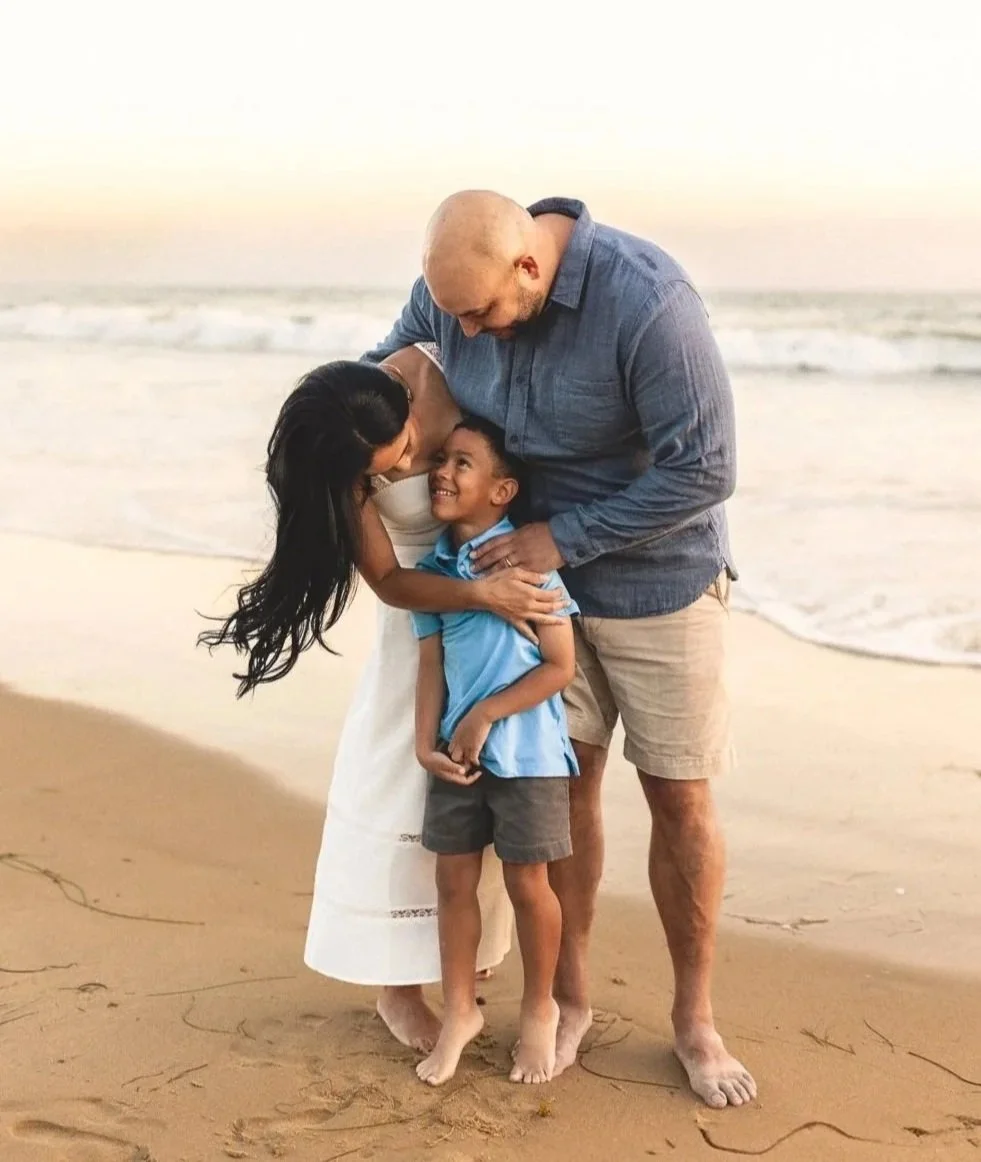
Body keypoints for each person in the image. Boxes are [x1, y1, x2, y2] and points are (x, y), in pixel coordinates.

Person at [361, 191, 757, 1108]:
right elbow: (380, 373)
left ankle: (693, 1020)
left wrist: (561, 537)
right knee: (559, 795)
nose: (462, 331)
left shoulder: (649, 301)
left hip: (660, 585)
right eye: (450, 313)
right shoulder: (453, 293)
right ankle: (565, 994)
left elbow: (704, 467)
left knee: (678, 798)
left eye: (479, 314)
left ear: (528, 269)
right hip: (531, 599)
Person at [200, 345, 568, 1054]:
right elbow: (392, 583)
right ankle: (394, 986)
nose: (402, 472)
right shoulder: (344, 450)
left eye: (399, 454)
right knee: (400, 788)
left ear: (405, 410)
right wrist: (475, 593)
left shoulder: (444, 370)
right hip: (420, 625)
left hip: (496, 634)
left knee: (486, 795)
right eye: (383, 474)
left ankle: (465, 968)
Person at [410, 416, 578, 1087]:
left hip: (529, 755)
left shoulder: (527, 564)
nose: (442, 473)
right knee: (451, 881)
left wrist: (486, 713)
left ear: (502, 489)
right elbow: (430, 663)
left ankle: (539, 1011)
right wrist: (426, 741)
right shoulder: (433, 571)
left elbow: (559, 666)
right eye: (440, 460)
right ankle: (459, 1013)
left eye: (463, 463)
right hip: (456, 754)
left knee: (526, 883)